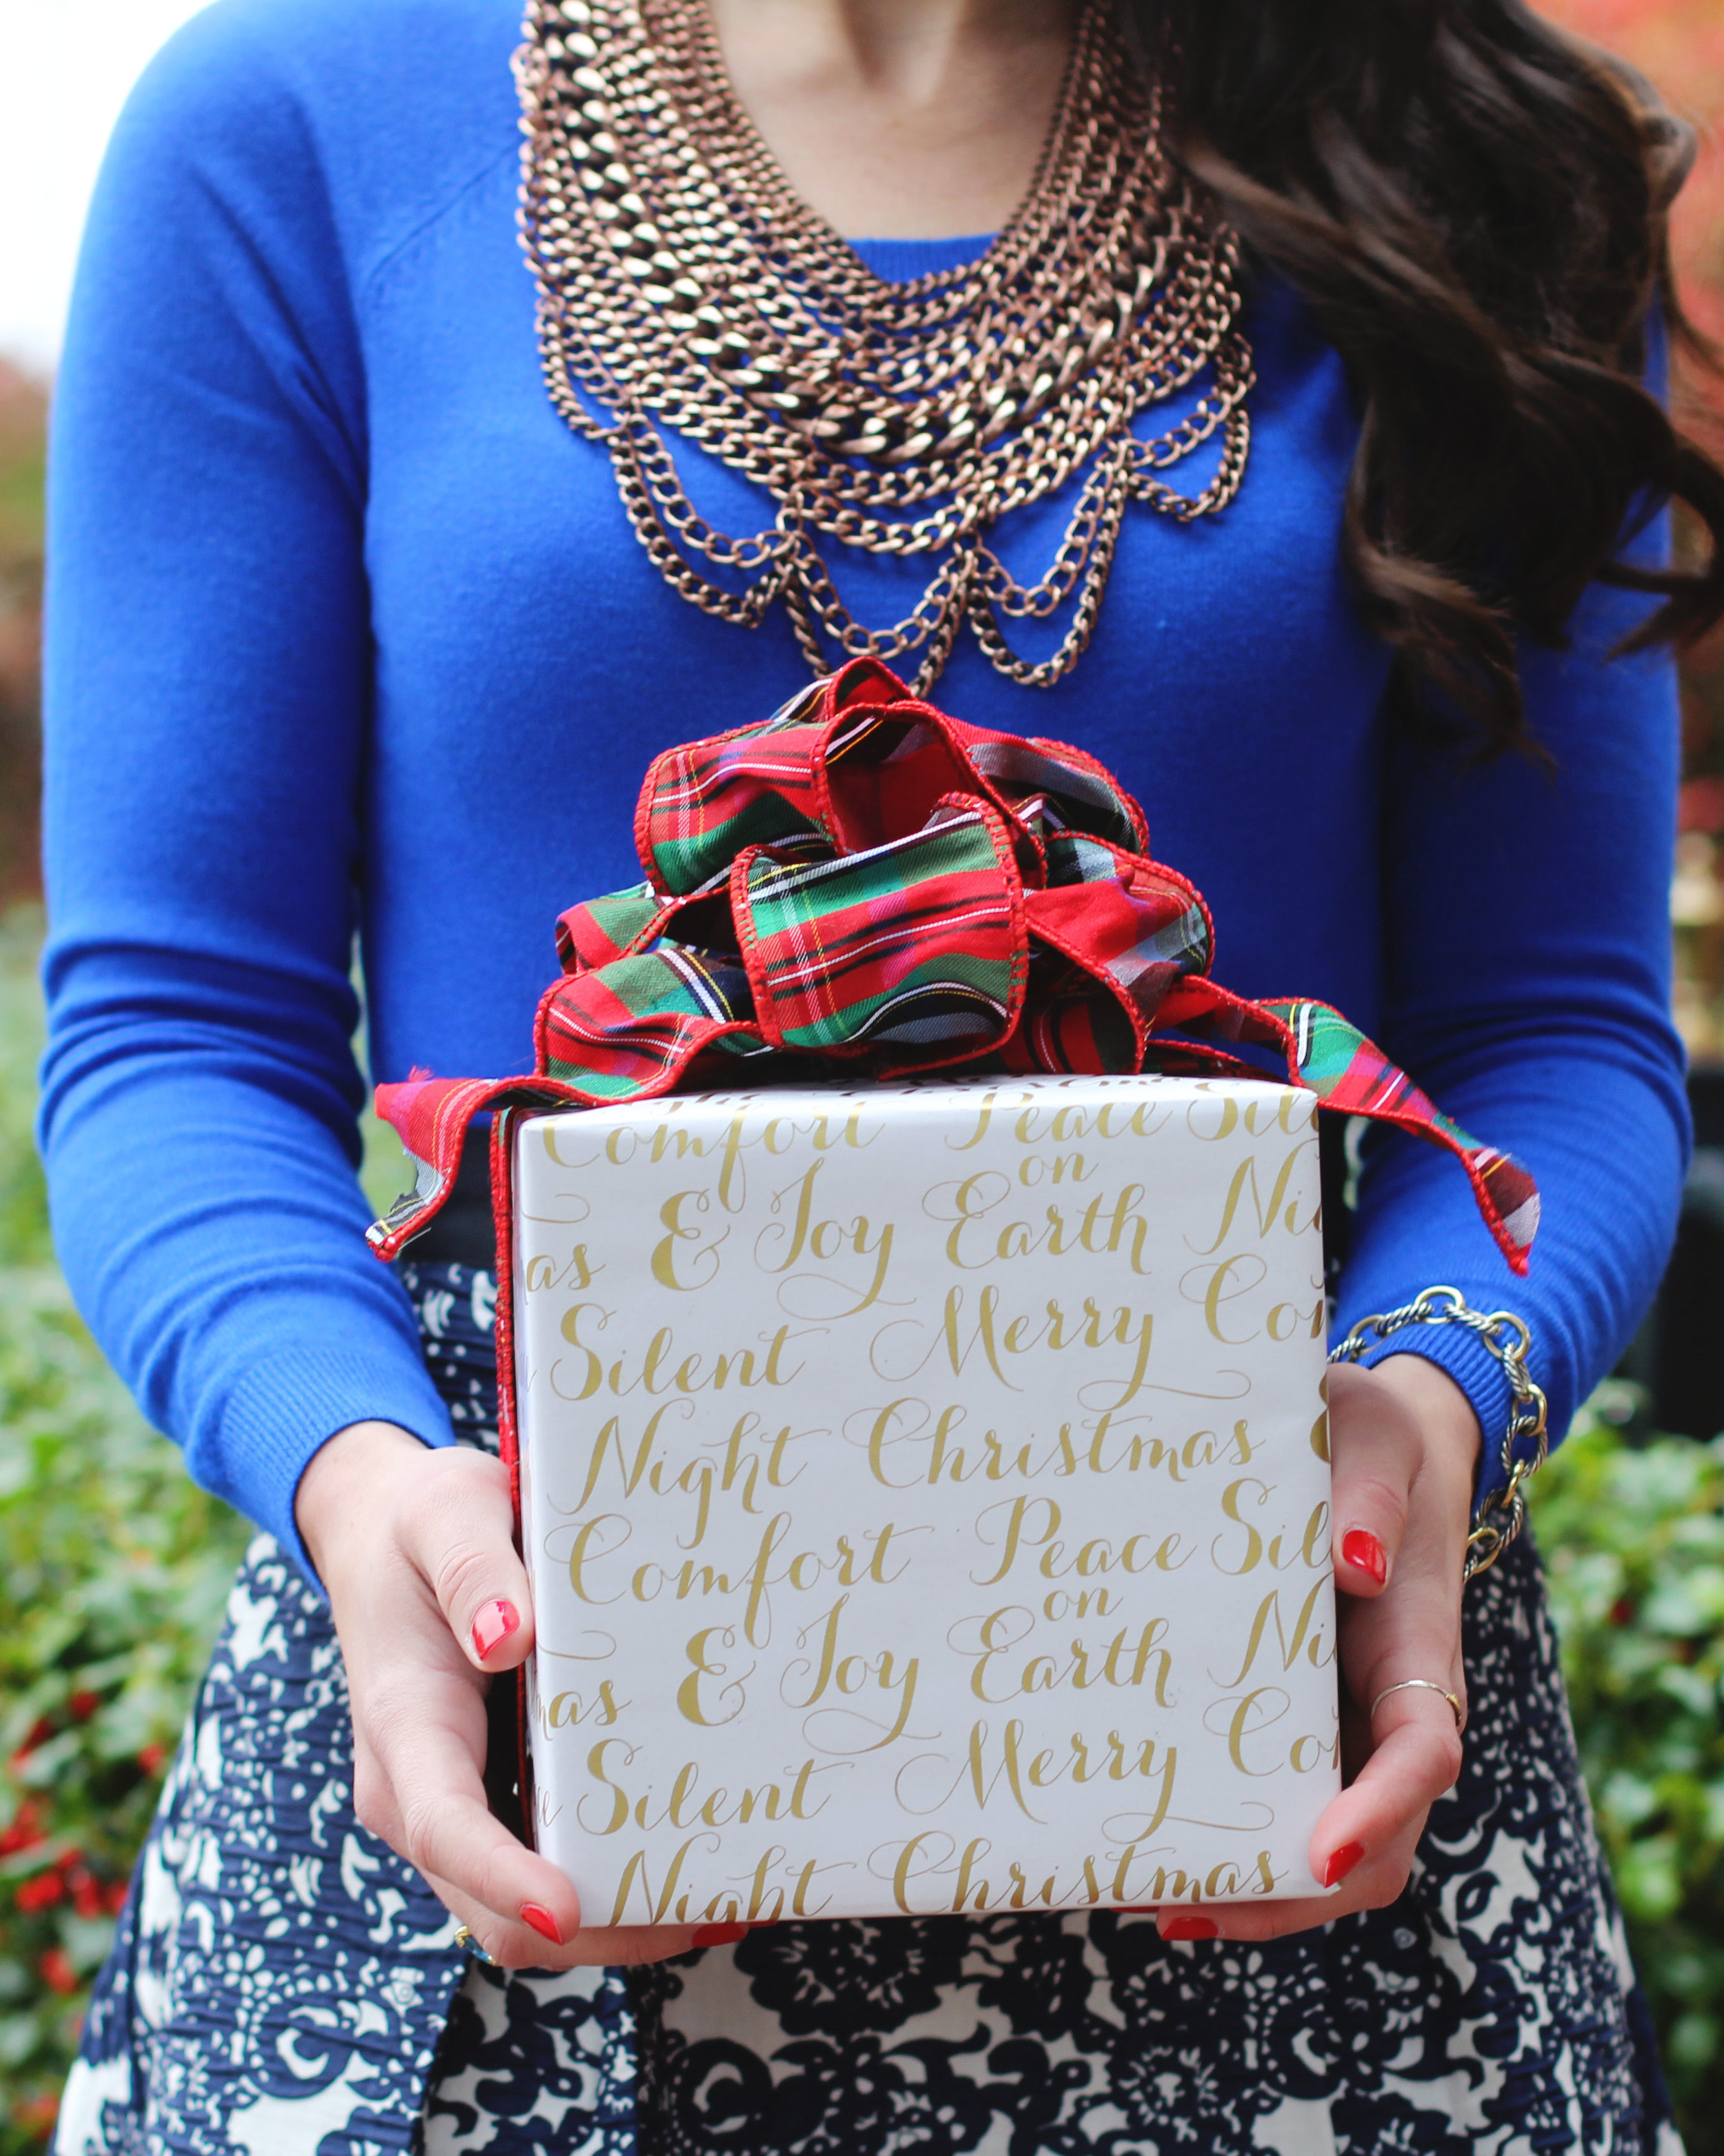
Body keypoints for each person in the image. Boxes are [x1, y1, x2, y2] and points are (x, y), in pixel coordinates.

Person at [38, 0, 1723, 2148]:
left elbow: (1552, 1035)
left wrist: (1424, 1401)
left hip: (1272, 1745)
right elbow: (178, 1030)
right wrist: (359, 1476)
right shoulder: (291, 125)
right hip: (498, 1751)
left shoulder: (1484, 157)